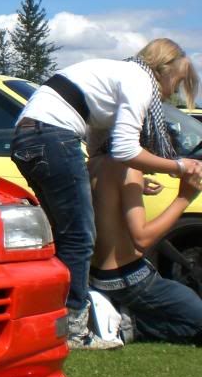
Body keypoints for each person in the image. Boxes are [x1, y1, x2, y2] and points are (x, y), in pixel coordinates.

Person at [11, 38, 202, 349]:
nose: (170, 93)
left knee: (65, 235)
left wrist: (136, 180)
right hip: (51, 134)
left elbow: (112, 148)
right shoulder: (138, 82)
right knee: (78, 237)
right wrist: (179, 174)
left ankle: (74, 313)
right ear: (163, 70)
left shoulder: (100, 156)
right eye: (176, 83)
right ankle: (75, 326)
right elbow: (127, 150)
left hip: (30, 135)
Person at [88, 150, 202, 345]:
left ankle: (121, 314)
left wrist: (134, 187)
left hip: (101, 275)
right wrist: (185, 196)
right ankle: (129, 325)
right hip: (130, 280)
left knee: (187, 301)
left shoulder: (92, 164)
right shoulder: (127, 168)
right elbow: (142, 238)